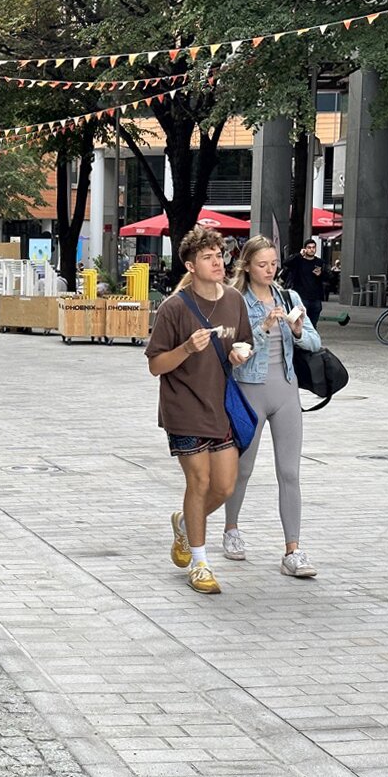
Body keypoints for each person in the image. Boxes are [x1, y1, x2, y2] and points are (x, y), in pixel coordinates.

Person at [145, 226, 253, 594]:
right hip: (183, 407)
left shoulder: (235, 300)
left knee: (224, 486)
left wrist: (241, 355)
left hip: (219, 406)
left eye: (219, 255)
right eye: (207, 257)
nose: (217, 262)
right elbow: (156, 365)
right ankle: (200, 562)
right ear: (191, 266)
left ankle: (183, 525)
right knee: (200, 481)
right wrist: (188, 349)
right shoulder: (174, 308)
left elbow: (244, 344)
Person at [222, 236, 322, 579]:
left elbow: (315, 340)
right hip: (250, 390)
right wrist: (264, 328)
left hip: (286, 390)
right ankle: (231, 528)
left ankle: (292, 550)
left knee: (290, 472)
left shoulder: (288, 297)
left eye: (274, 264)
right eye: (262, 264)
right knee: (243, 468)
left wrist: (296, 330)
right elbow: (236, 350)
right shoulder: (235, 300)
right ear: (247, 265)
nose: (269, 270)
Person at [282, 239, 325, 327]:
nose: (311, 249)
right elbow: (286, 263)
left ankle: (311, 339)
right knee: (299, 323)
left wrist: (321, 274)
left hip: (315, 297)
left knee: (313, 324)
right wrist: (299, 255)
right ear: (304, 249)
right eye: (309, 247)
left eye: (313, 247)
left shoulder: (319, 262)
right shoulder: (299, 261)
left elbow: (329, 278)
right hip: (301, 297)